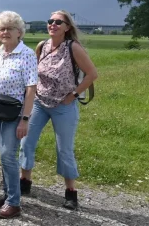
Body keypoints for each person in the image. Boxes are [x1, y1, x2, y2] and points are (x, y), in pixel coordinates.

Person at [18, 11, 98, 210]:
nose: (53, 24)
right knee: (26, 141)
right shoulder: (42, 46)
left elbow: (92, 74)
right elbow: (33, 73)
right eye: (50, 21)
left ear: (67, 27)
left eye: (58, 22)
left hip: (63, 106)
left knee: (64, 149)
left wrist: (73, 94)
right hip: (39, 102)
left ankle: (71, 193)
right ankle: (24, 182)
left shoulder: (73, 48)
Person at [0, 11, 37, 219]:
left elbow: (31, 88)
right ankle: (7, 194)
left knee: (8, 155)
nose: (5, 32)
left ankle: (14, 202)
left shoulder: (27, 55)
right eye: (1, 29)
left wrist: (25, 119)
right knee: (4, 156)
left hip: (15, 113)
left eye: (9, 29)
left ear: (19, 33)